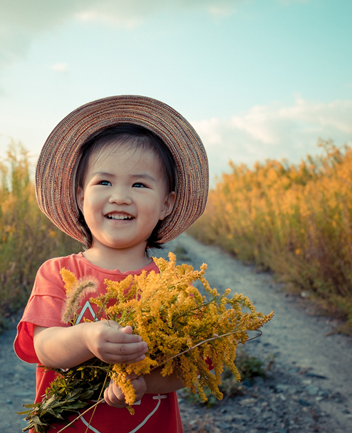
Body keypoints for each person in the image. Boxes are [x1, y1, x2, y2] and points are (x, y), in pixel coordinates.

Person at [14, 95, 209, 432]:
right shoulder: (58, 273)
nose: (120, 195)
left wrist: (144, 383)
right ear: (80, 196)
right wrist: (87, 337)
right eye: (103, 182)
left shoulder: (177, 286)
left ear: (166, 203)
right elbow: (44, 347)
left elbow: (186, 368)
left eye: (139, 184)